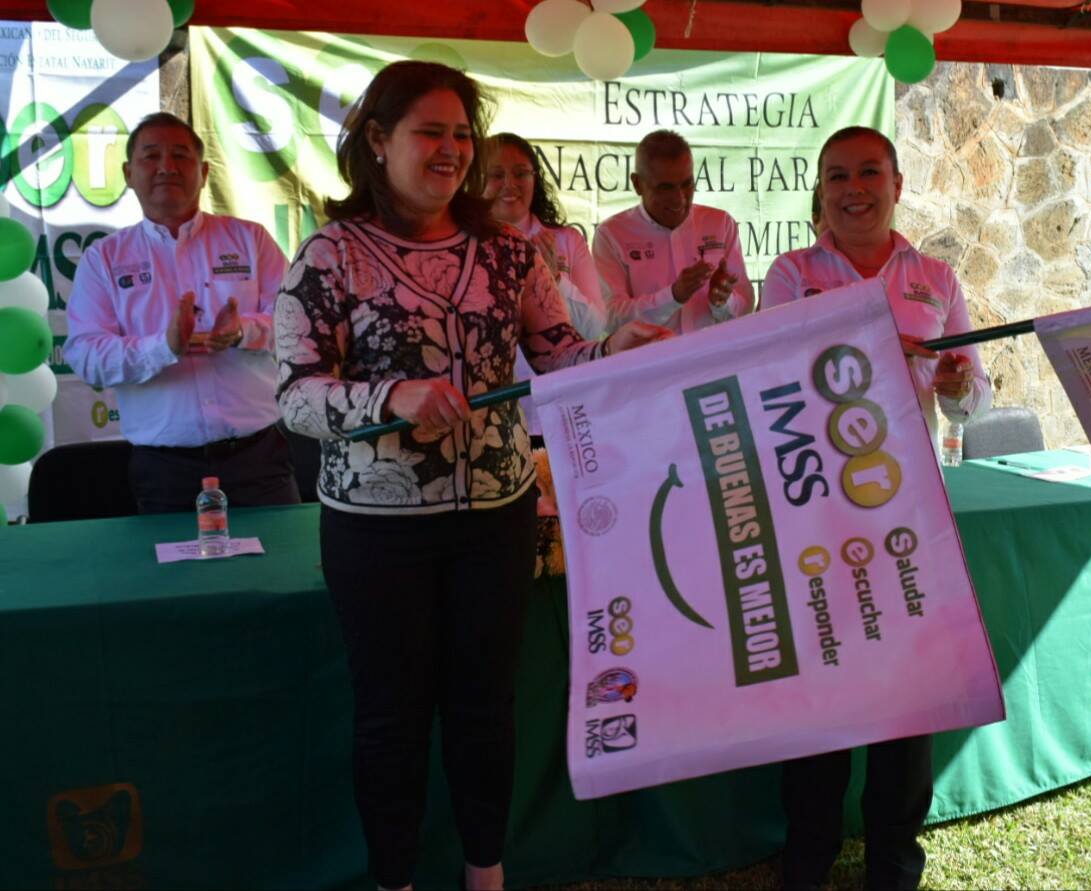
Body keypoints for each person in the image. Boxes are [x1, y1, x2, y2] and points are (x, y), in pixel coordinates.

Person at [274, 61, 665, 891]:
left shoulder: (509, 252)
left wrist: (612, 349)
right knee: (391, 718)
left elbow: (558, 357)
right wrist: (390, 397)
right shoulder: (330, 255)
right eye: (430, 131)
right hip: (377, 531)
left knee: (486, 709)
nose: (452, 149)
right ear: (377, 141)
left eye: (462, 134)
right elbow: (297, 396)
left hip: (496, 515)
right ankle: (395, 880)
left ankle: (485, 875)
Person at [760, 125, 993, 891]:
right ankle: (808, 855)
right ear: (820, 191)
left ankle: (893, 859)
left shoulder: (936, 277)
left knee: (909, 697)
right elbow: (775, 372)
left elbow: (974, 397)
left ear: (896, 184)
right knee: (822, 689)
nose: (853, 189)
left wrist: (958, 386)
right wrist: (872, 347)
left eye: (868, 173)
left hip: (910, 521)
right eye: (837, 176)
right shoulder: (792, 273)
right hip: (816, 510)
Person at [64, 112, 298, 514]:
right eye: (151, 156)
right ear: (128, 173)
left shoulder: (250, 239)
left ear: (204, 172)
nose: (166, 167)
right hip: (164, 470)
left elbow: (297, 326)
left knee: (281, 557)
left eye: (180, 155)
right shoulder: (104, 259)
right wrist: (163, 347)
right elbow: (87, 357)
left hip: (259, 458)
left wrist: (242, 331)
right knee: (174, 560)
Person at [482, 132, 607, 440]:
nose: (510, 184)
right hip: (492, 418)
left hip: (560, 411)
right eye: (496, 175)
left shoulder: (567, 240)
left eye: (520, 173)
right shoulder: (467, 247)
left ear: (535, 178)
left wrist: (554, 281)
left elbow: (594, 329)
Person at [592, 129, 753, 335]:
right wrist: (673, 296)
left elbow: (746, 306)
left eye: (687, 184)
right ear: (637, 184)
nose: (679, 198)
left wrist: (722, 300)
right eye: (665, 188)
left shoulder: (720, 224)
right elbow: (611, 318)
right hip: (653, 356)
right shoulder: (611, 235)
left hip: (714, 353)